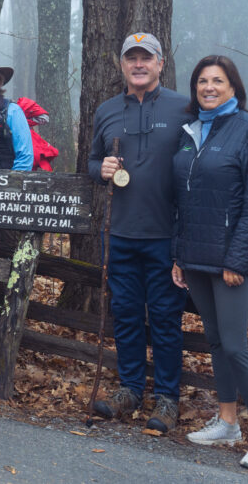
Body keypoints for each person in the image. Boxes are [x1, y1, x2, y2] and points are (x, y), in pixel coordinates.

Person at [171, 55, 248, 471]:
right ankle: (228, 421)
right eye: (202, 81)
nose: (209, 87)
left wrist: (239, 258)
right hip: (195, 257)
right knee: (216, 341)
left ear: (233, 87)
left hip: (229, 260)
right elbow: (182, 200)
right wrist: (178, 256)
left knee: (236, 347)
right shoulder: (191, 130)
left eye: (218, 81)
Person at [88, 32, 190, 432]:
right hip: (119, 233)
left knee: (165, 319)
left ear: (160, 63)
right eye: (131, 58)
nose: (139, 64)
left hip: (166, 234)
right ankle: (129, 389)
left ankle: (167, 398)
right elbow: (93, 162)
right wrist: (102, 171)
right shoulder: (107, 110)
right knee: (127, 315)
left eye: (146, 58)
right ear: (122, 65)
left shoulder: (184, 107)